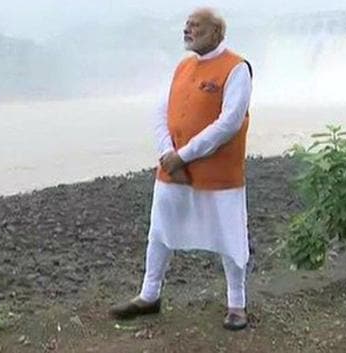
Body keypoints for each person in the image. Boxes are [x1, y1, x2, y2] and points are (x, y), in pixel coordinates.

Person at [109, 7, 253, 331]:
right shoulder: (182, 67)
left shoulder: (236, 68)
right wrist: (166, 154)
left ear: (216, 32)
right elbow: (159, 113)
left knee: (230, 236)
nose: (187, 31)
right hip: (172, 171)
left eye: (196, 27)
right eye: (186, 26)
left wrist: (183, 156)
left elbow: (229, 123)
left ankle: (237, 304)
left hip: (218, 174)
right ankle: (149, 295)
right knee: (160, 230)